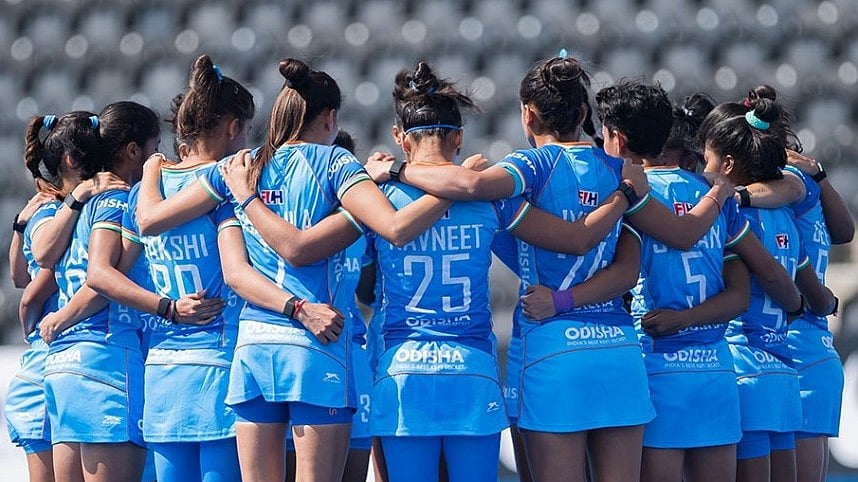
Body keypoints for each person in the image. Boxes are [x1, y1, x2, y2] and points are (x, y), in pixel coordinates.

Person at [133, 57, 463, 482]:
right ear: (330, 118)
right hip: (314, 347)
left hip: (253, 351)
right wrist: (451, 189)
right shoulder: (337, 164)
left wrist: (150, 168)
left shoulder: (241, 166)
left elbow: (150, 220)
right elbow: (396, 228)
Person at [85, 57, 253, 482]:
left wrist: (165, 307)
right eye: (246, 130)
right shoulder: (226, 181)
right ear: (233, 127)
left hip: (161, 373)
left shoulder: (147, 188)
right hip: (218, 365)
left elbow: (110, 273)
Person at [699, 98, 837, 482]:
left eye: (706, 156)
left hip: (742, 366)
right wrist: (819, 303)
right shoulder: (789, 217)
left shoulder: (730, 215)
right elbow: (810, 292)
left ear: (727, 164)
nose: (701, 166)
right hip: (783, 372)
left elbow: (760, 288)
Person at [37, 103, 159, 482]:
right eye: (155, 146)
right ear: (132, 150)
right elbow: (102, 280)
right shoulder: (114, 200)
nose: (160, 157)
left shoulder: (70, 207)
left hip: (63, 366)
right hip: (105, 356)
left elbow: (40, 257)